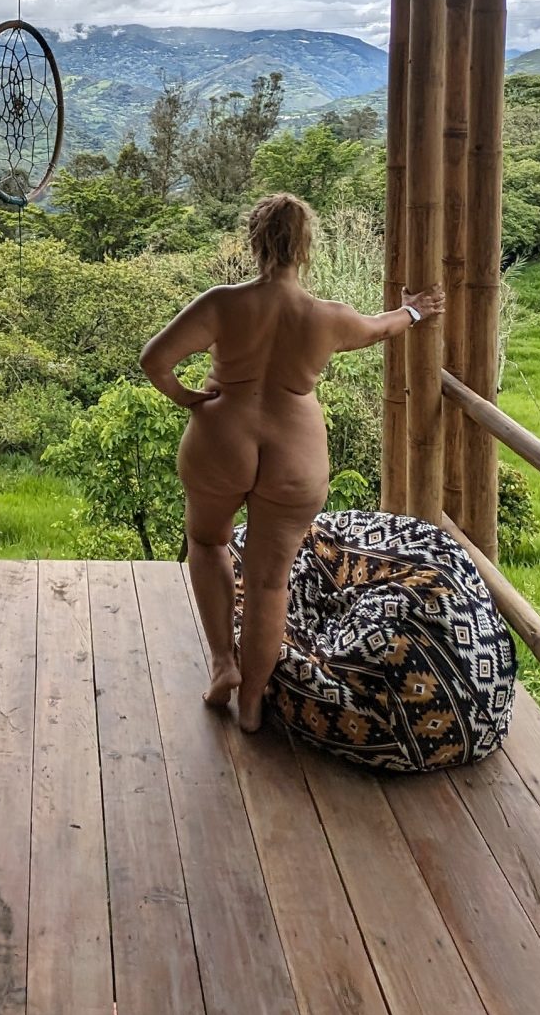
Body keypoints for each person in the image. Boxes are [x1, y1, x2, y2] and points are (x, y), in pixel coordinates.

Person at [140, 191, 443, 732]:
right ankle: (253, 704)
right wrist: (415, 308)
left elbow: (155, 361)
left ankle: (222, 664)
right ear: (306, 248)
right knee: (269, 583)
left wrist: (189, 398)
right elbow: (383, 326)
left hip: (220, 438)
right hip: (295, 452)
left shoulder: (222, 304)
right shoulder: (328, 317)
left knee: (208, 543)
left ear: (255, 241)